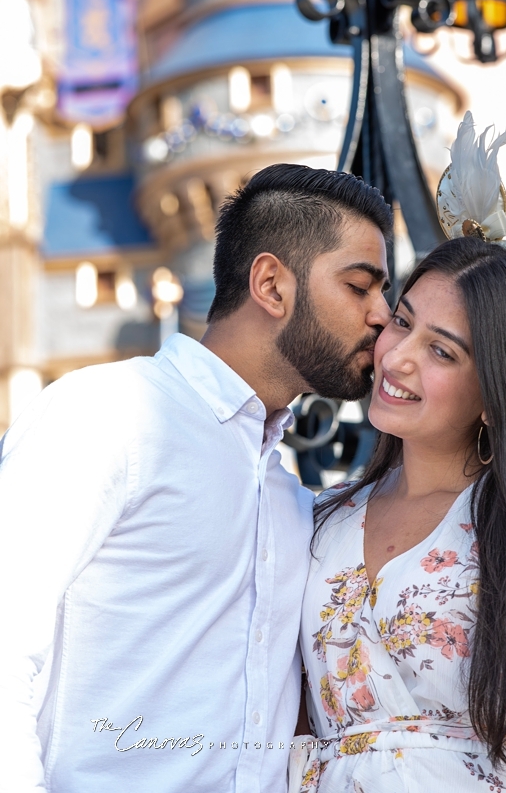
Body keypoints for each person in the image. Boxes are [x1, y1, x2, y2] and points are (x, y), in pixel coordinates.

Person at [0, 164, 393, 793]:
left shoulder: (289, 497)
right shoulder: (107, 413)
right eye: (359, 286)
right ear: (271, 284)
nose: (382, 315)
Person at [294, 115, 506, 793]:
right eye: (402, 320)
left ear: (495, 393)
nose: (396, 357)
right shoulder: (320, 520)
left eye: (441, 350)